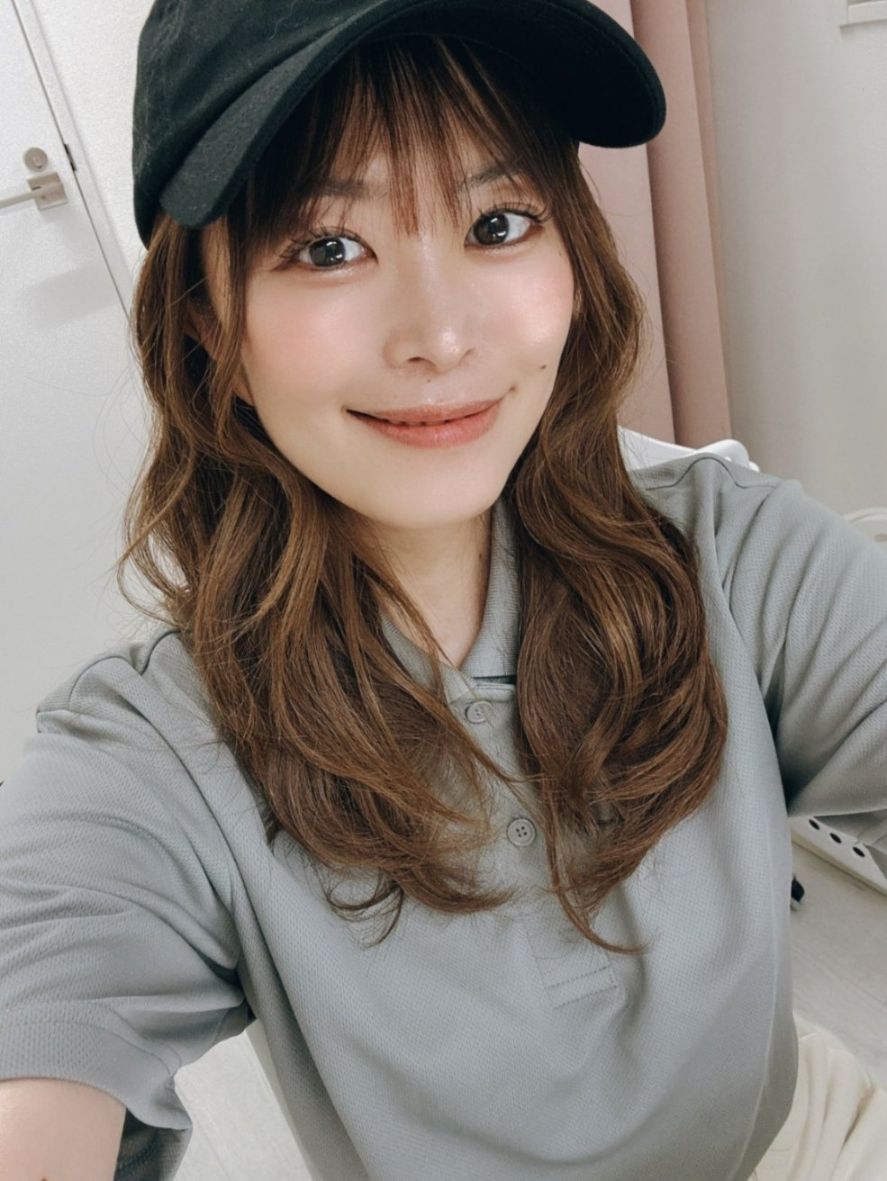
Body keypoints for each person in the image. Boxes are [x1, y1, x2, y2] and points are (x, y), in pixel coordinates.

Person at [0, 2, 885, 1180]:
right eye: (326, 246)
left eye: (496, 222)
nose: (440, 335)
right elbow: (43, 1019)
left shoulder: (728, 553)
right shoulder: (153, 752)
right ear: (210, 322)